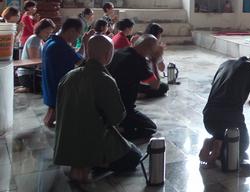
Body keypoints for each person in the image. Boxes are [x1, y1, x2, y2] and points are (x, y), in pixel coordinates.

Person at [54, 35, 142, 183]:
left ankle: (82, 164)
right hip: (92, 141)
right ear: (108, 55)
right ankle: (98, 161)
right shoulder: (104, 79)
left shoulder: (68, 76)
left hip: (66, 144)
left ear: (88, 51)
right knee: (134, 156)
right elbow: (116, 117)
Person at [199, 55, 250, 166]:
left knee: (222, 133)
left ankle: (211, 142)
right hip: (229, 120)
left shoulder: (225, 64)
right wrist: (246, 101)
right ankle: (218, 144)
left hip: (208, 119)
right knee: (243, 143)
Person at [108, 35, 165, 141]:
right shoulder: (138, 61)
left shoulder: (120, 52)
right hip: (123, 108)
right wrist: (154, 60)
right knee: (150, 128)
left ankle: (120, 127)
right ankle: (120, 133)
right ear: (150, 48)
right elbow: (155, 85)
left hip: (108, 103)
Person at [42, 18, 91, 127]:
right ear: (72, 31)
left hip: (49, 86)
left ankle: (52, 117)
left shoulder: (51, 41)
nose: (78, 37)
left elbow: (75, 56)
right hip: (59, 88)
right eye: (78, 34)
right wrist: (87, 43)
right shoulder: (61, 46)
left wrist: (82, 43)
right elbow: (84, 64)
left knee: (51, 113)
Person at [15, 18, 55, 93]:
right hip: (27, 73)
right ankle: (24, 88)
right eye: (47, 32)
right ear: (40, 30)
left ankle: (25, 87)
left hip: (32, 72)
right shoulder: (34, 39)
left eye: (50, 33)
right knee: (44, 88)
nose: (48, 35)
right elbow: (34, 60)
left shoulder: (40, 40)